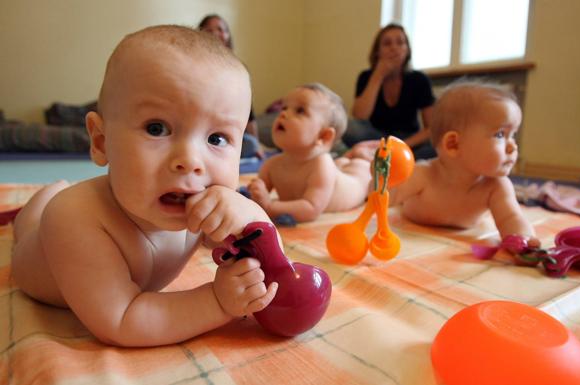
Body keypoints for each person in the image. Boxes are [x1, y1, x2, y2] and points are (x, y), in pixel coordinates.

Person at [10, 25, 278, 347]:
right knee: (34, 219)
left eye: (217, 138)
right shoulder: (74, 218)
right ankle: (43, 197)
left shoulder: (198, 200)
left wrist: (249, 216)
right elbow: (123, 319)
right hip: (39, 247)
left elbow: (264, 255)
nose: (191, 161)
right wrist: (216, 303)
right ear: (101, 141)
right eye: (157, 128)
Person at [390, 80, 539, 245]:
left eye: (513, 135)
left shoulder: (496, 186)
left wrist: (523, 240)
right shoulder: (423, 174)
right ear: (453, 144)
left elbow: (511, 218)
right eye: (500, 134)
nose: (513, 146)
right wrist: (382, 179)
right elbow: (382, 196)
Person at [247, 83, 371, 223]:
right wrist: (254, 193)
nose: (283, 113)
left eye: (300, 110)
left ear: (323, 136)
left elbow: (310, 209)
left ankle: (360, 155)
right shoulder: (271, 165)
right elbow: (257, 198)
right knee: (341, 163)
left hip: (359, 183)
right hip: (338, 170)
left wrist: (270, 206)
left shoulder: (321, 164)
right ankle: (346, 160)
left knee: (362, 168)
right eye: (285, 107)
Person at [343, 23, 436, 161]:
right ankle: (394, 158)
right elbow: (360, 116)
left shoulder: (419, 79)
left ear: (407, 50)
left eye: (400, 42)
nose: (394, 48)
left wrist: (400, 146)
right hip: (376, 137)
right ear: (377, 51)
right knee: (348, 127)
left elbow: (431, 127)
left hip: (407, 139)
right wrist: (378, 75)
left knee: (437, 147)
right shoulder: (367, 76)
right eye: (387, 43)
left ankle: (387, 157)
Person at [198, 14, 263, 159]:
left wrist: (257, 145)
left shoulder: (238, 69)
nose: (215, 33)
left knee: (250, 144)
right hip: (200, 129)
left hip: (226, 133)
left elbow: (249, 114)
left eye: (221, 29)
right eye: (209, 30)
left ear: (228, 35)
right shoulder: (195, 66)